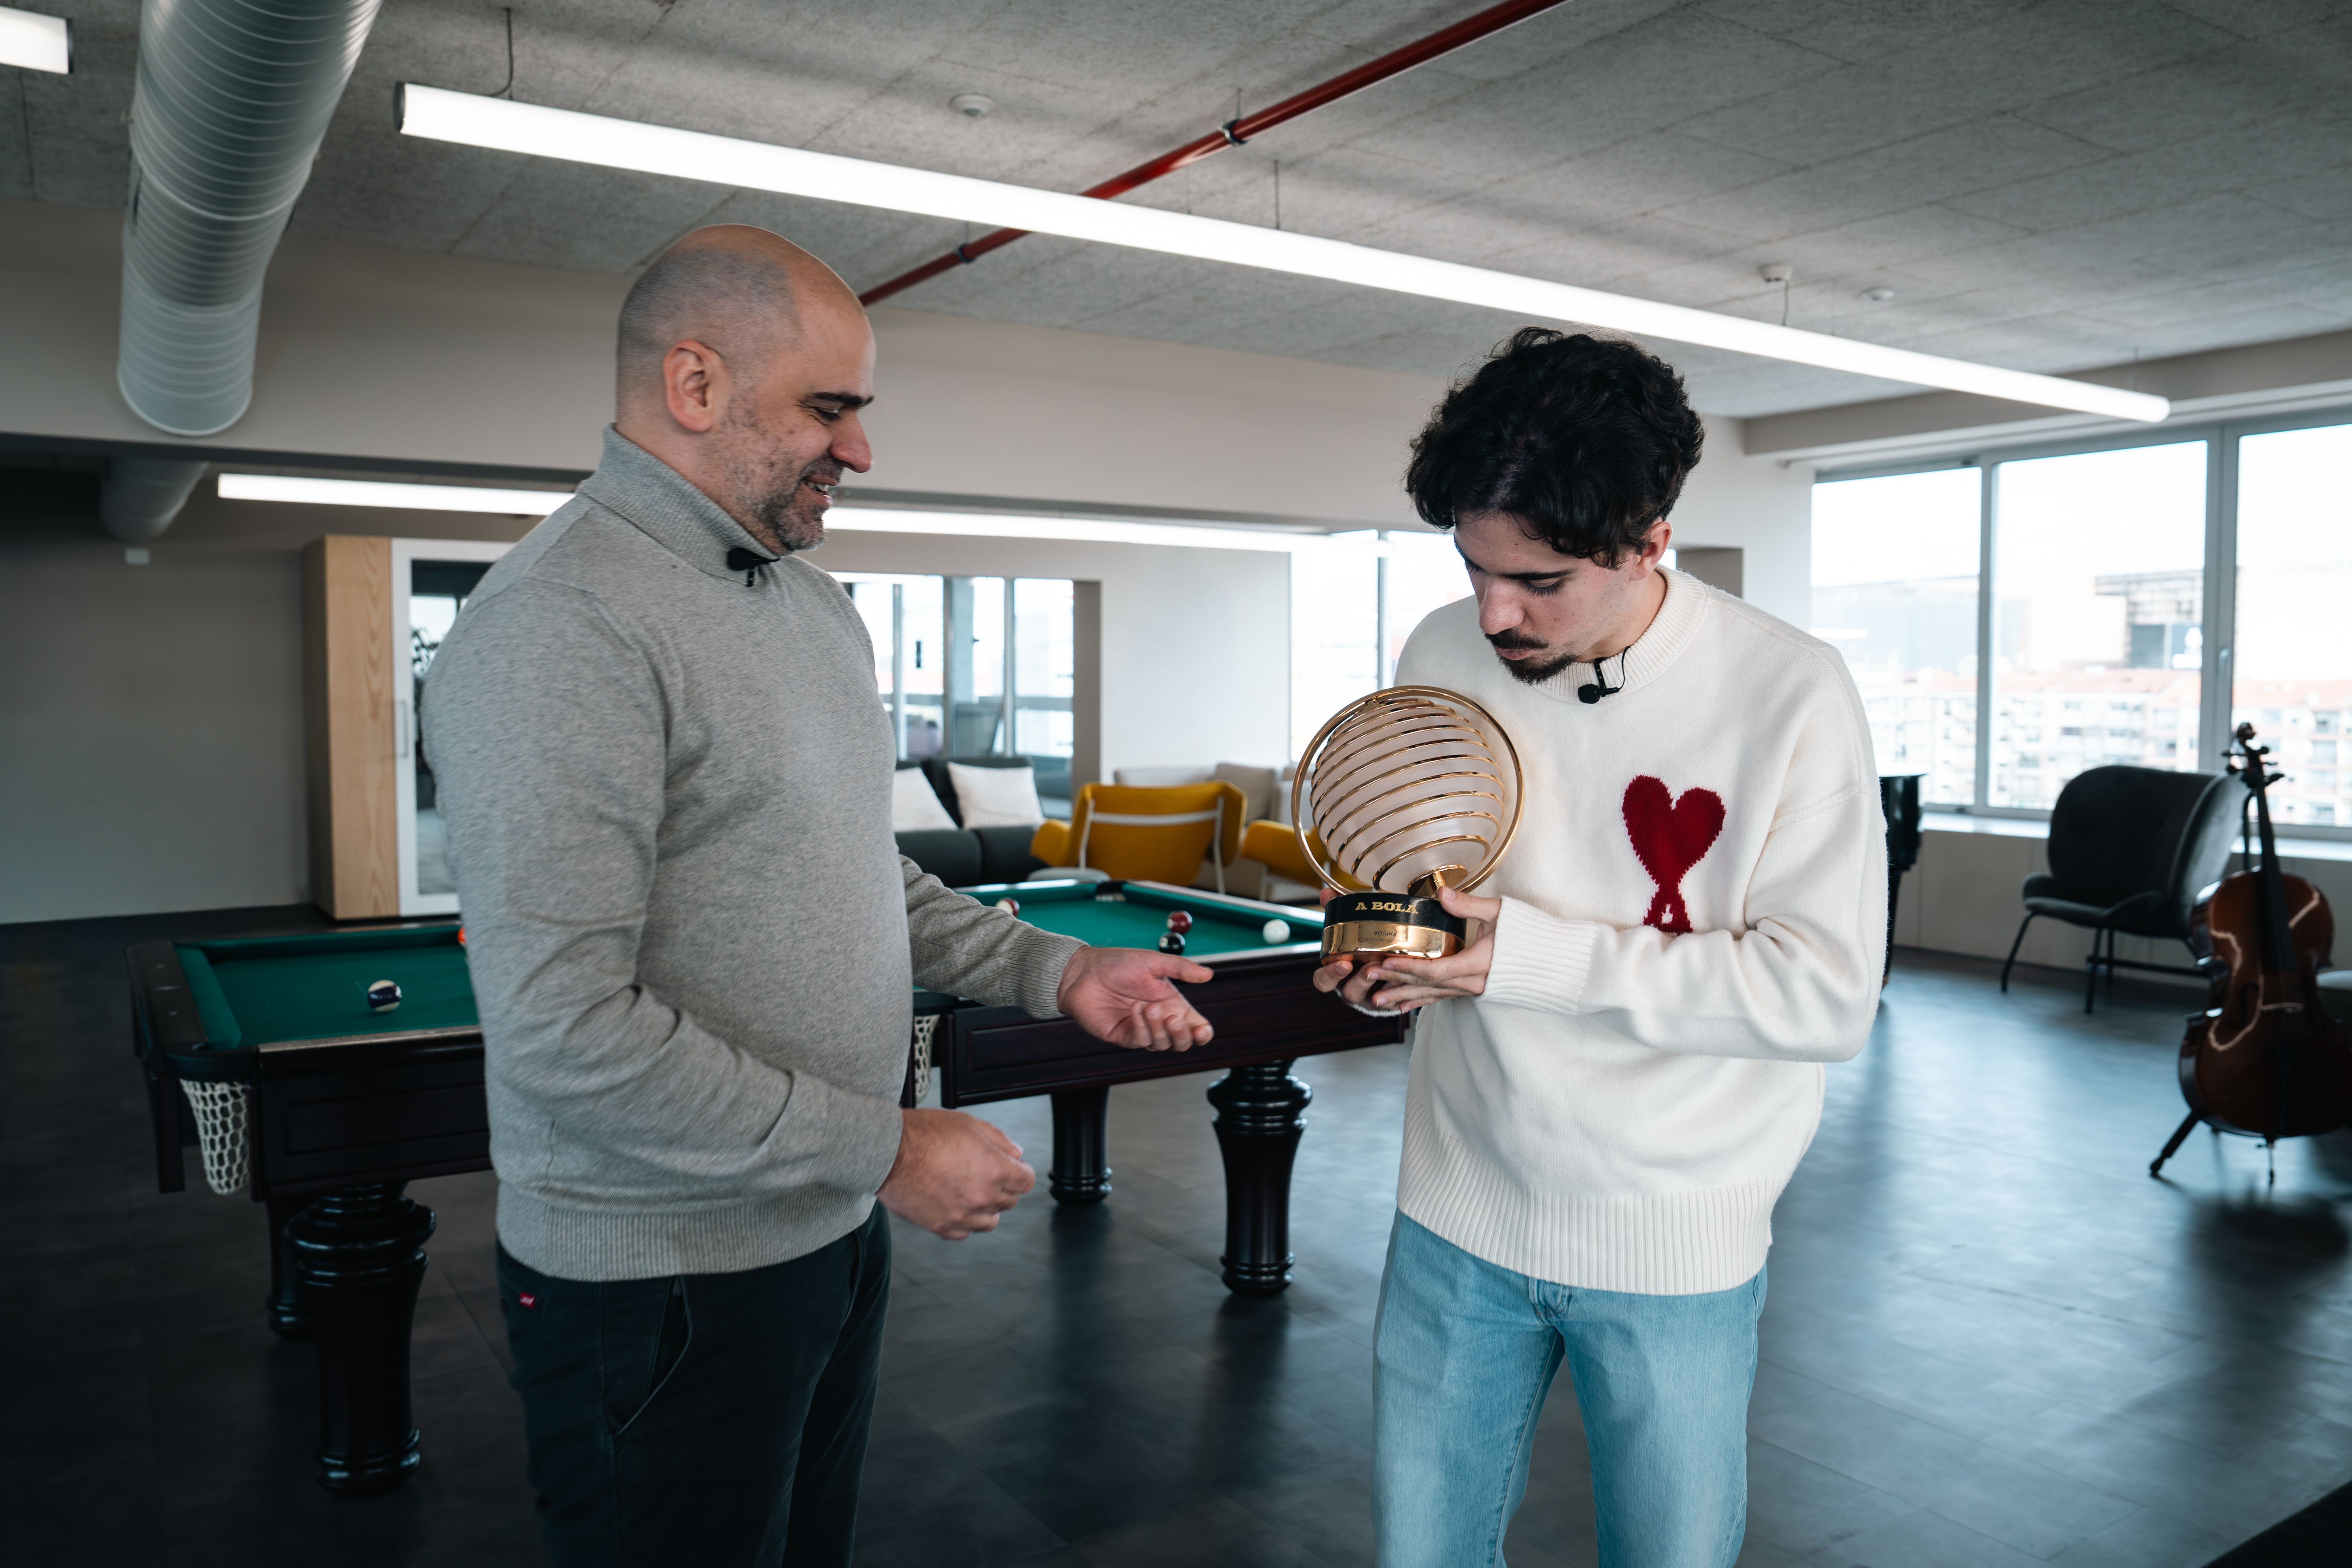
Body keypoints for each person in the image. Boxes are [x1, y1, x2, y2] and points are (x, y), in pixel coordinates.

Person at [422, 224, 1214, 1568]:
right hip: (659, 1283)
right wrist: (891, 1147)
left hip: (825, 1232)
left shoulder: (807, 602)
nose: (859, 450)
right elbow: (564, 1030)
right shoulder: (560, 627)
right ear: (693, 384)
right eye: (827, 409)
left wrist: (1059, 972)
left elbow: (860, 870)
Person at [1317, 328, 1884, 1567]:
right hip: (1454, 1210)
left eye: (1541, 581)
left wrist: (1518, 957)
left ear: (1649, 542)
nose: (1492, 612)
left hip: (1672, 1234)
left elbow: (1826, 999)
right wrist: (1391, 965)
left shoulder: (1790, 691)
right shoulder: (1439, 650)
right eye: (1473, 567)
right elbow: (1435, 894)